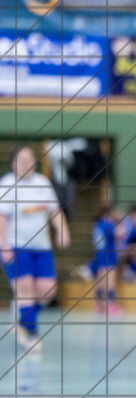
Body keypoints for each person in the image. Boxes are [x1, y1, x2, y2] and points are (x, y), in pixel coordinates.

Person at [0, 146, 70, 351]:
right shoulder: (7, 184)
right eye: (21, 160)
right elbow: (2, 218)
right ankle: (31, 334)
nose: (26, 163)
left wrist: (62, 231)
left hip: (42, 247)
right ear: (13, 163)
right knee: (25, 289)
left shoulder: (42, 183)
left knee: (48, 291)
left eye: (29, 159)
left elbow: (54, 211)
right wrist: (4, 246)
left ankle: (22, 317)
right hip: (16, 246)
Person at [91, 205, 124, 315]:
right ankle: (109, 304)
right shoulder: (108, 224)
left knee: (101, 280)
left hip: (99, 255)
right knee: (109, 280)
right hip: (108, 255)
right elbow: (121, 233)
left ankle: (99, 304)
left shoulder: (97, 224)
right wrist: (120, 220)